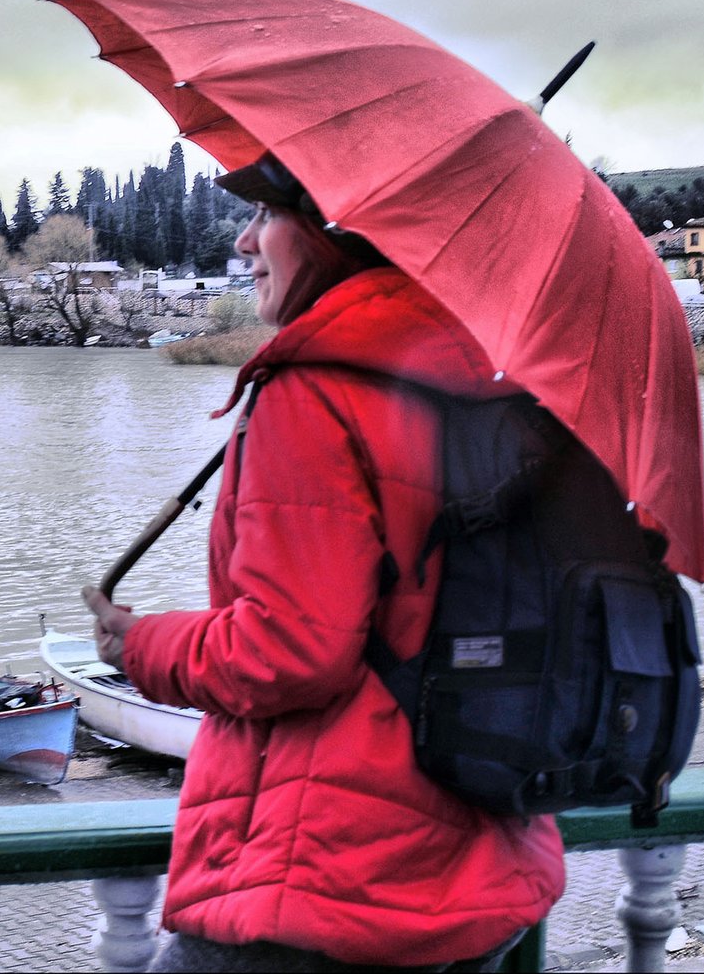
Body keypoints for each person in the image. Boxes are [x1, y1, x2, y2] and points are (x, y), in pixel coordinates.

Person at [82, 154, 566, 972]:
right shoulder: (510, 384)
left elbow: (291, 653)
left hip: (329, 881)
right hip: (487, 862)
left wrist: (141, 647)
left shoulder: (313, 393)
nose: (243, 242)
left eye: (267, 216)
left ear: (333, 233)